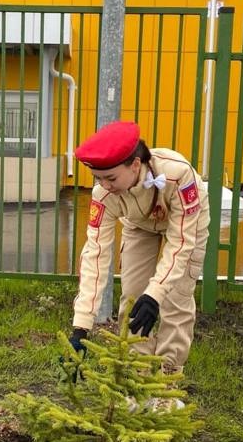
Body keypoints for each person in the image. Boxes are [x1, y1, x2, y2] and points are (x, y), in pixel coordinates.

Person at [68, 121, 210, 411]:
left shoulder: (178, 174)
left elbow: (181, 243)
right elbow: (95, 255)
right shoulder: (104, 195)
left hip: (184, 224)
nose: (103, 186)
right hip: (138, 224)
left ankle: (166, 386)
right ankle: (137, 381)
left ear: (135, 164)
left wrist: (156, 293)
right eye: (97, 178)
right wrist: (80, 327)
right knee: (133, 298)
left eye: (109, 178)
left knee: (176, 299)